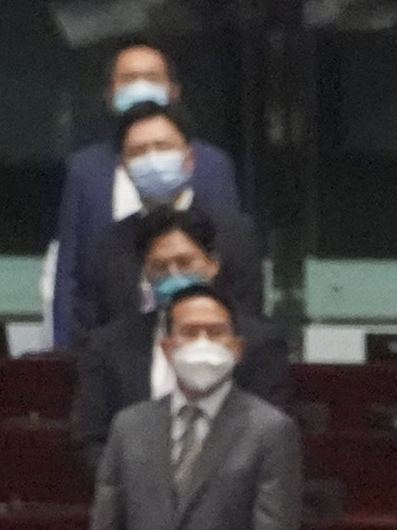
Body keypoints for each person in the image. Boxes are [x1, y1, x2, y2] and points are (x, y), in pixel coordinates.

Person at [83, 287, 304, 530]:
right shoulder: (129, 426)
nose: (203, 342)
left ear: (237, 347)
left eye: (216, 332)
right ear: (167, 348)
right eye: (189, 332)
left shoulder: (270, 431)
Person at [64, 210, 297, 477]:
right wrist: (140, 489)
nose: (173, 274)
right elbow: (90, 439)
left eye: (185, 262)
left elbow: (271, 440)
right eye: (159, 267)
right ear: (145, 274)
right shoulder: (108, 346)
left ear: (213, 265)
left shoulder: (260, 343)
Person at [48, 45, 248, 349]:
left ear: (173, 89)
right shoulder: (85, 170)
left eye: (151, 76)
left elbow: (233, 253)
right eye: (128, 78)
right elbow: (72, 274)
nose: (140, 86)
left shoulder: (214, 164)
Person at [71, 108, 269, 350]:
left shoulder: (236, 234)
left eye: (163, 147)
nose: (152, 159)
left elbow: (249, 322)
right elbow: (92, 330)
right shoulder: (108, 243)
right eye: (139, 152)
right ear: (123, 166)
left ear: (189, 159)